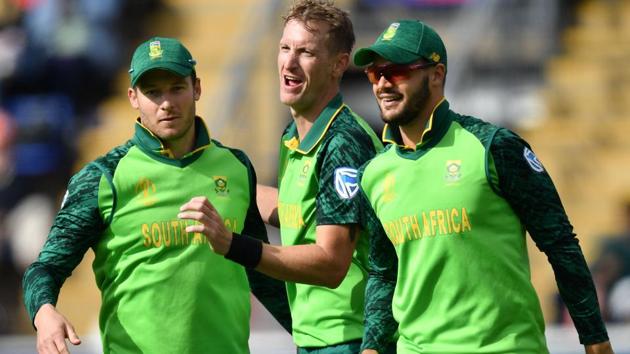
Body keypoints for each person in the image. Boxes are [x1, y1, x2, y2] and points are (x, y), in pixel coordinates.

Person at [351, 20, 614, 354]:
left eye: (397, 71)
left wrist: (596, 340)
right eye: (376, 74)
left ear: (436, 74)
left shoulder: (495, 147)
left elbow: (560, 244)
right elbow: (384, 273)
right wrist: (372, 346)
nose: (383, 84)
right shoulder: (374, 173)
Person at [22, 37, 291, 354]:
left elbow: (261, 271)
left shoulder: (236, 166)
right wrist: (44, 313)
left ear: (197, 88)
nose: (166, 102)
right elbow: (46, 267)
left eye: (177, 87)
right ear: (133, 97)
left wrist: (312, 337)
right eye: (152, 92)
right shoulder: (103, 176)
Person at [178, 1, 394, 353]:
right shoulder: (293, 134)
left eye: (306, 52)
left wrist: (234, 244)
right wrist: (211, 176)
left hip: (350, 339)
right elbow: (299, 209)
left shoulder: (342, 141)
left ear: (339, 64)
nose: (289, 63)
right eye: (284, 48)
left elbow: (331, 262)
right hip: (315, 339)